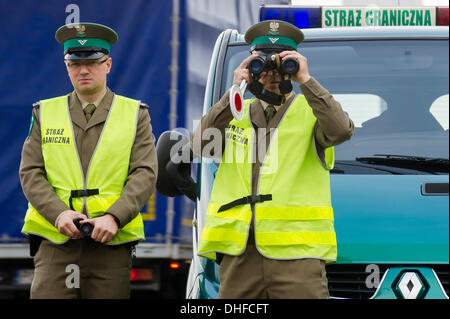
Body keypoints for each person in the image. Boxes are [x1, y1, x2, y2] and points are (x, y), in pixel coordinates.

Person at [194, 20, 354, 298]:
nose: (271, 73)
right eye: (263, 64)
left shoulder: (311, 112)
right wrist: (234, 90)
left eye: (280, 64)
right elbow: (200, 145)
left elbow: (341, 130)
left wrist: (306, 80)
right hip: (240, 254)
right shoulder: (235, 110)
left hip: (298, 257)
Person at [19, 22, 157, 299]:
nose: (83, 71)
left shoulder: (134, 114)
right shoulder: (45, 112)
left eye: (92, 62)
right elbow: (31, 172)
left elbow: (144, 172)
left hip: (110, 239)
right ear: (67, 67)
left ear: (107, 64)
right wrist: (59, 214)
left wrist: (113, 216)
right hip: (56, 239)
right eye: (74, 63)